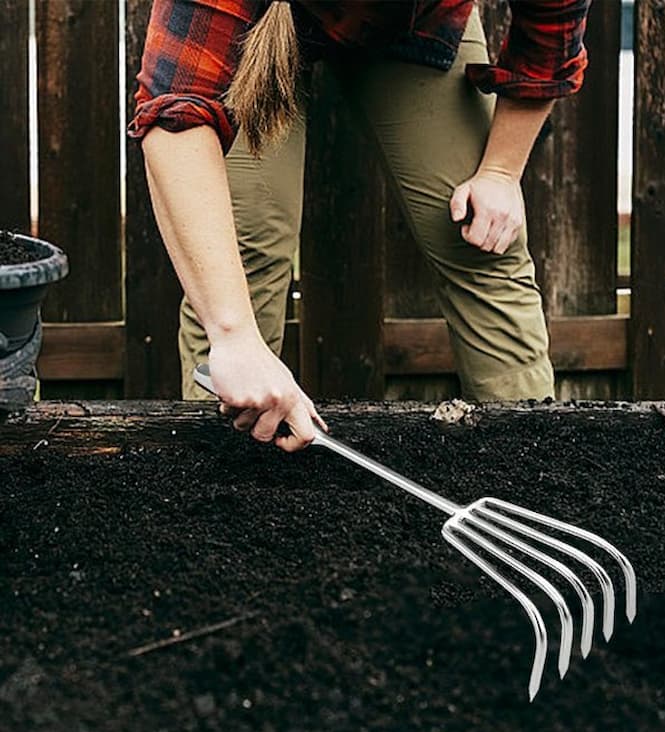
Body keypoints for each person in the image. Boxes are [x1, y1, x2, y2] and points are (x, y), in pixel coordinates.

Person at [129, 0, 590, 452]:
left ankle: (532, 460)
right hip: (262, 20)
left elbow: (550, 29)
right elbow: (177, 113)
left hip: (416, 26)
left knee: (481, 238)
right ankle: (224, 489)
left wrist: (500, 173)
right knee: (241, 254)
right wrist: (233, 336)